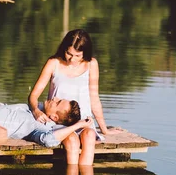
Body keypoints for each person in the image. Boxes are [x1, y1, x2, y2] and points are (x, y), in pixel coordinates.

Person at [28, 29, 122, 165]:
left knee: (89, 137)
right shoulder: (53, 62)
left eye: (77, 55)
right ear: (64, 49)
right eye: (69, 54)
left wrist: (104, 129)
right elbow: (33, 95)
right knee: (72, 140)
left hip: (84, 119)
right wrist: (36, 110)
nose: (72, 59)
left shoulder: (92, 64)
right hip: (59, 121)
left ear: (86, 53)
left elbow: (94, 99)